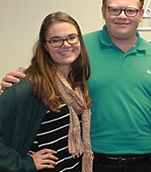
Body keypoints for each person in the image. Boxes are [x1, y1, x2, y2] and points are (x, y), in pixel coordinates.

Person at [0, 0, 151, 172]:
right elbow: (48, 72)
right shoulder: (81, 49)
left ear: (141, 14)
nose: (122, 16)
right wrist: (18, 83)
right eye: (114, 9)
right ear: (103, 12)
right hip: (96, 163)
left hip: (149, 164)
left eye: (130, 10)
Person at [0, 11, 93, 172]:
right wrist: (26, 164)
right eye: (56, 40)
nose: (65, 45)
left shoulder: (77, 83)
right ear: (45, 46)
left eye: (71, 37)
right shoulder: (28, 86)